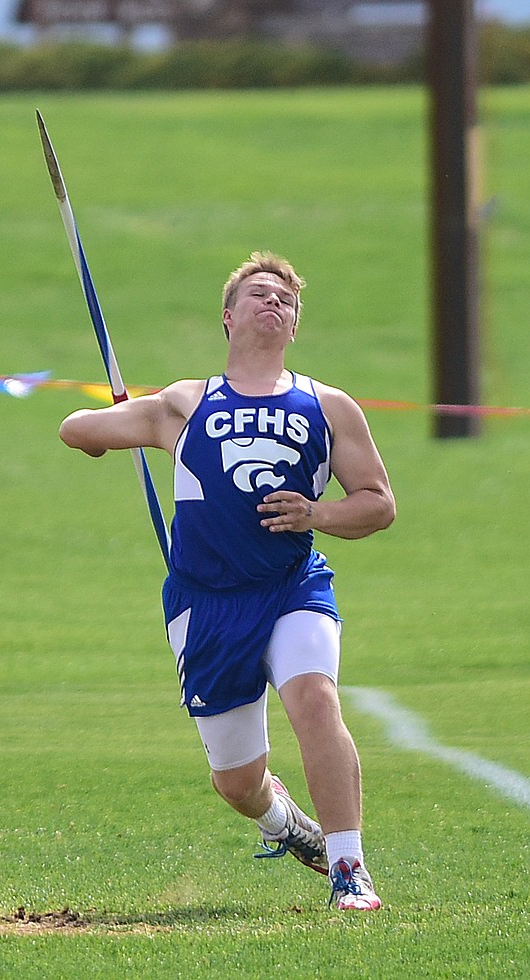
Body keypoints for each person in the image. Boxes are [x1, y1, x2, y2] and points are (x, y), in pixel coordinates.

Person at [59, 251, 395, 911]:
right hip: (206, 606)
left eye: (286, 301)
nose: (275, 303)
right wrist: (113, 431)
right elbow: (74, 429)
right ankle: (285, 823)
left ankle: (349, 870)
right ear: (228, 316)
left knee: (315, 700)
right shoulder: (187, 403)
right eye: (260, 294)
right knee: (237, 781)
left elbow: (379, 503)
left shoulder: (328, 407)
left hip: (292, 586)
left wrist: (317, 513)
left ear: (294, 326)